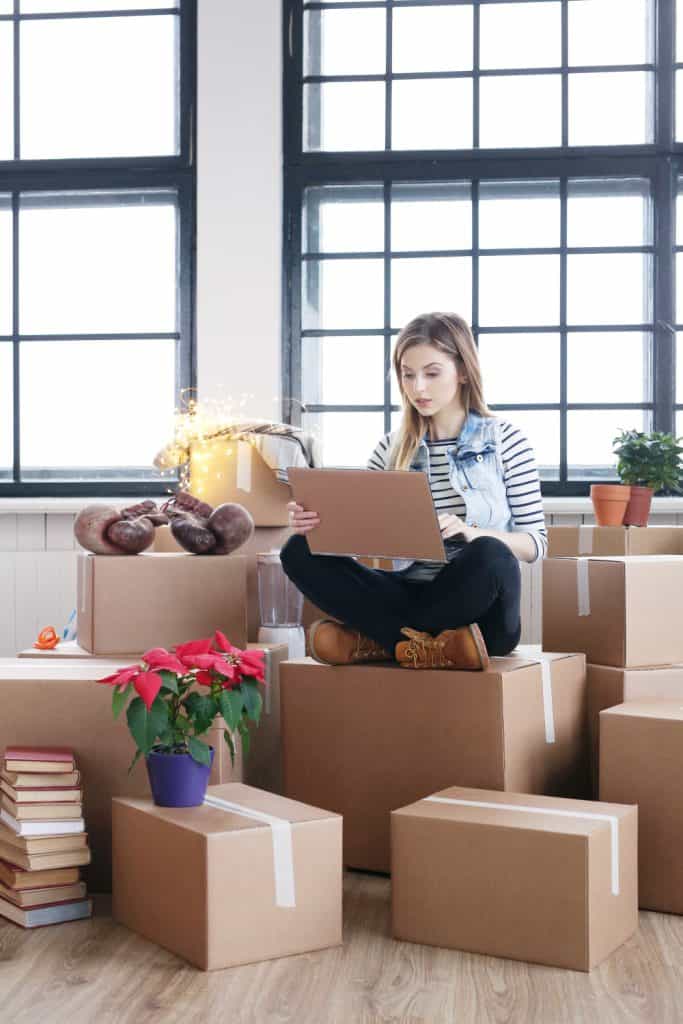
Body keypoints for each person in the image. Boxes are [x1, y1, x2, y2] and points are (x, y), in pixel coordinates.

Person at [280, 311, 547, 671]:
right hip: (412, 592)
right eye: (408, 375)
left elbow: (536, 544)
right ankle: (427, 646)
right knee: (298, 551)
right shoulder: (390, 449)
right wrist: (320, 526)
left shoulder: (506, 441)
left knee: (491, 554)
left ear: (463, 371)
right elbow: (361, 535)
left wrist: (473, 533)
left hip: (481, 615)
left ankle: (379, 640)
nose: (418, 387)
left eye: (432, 373)